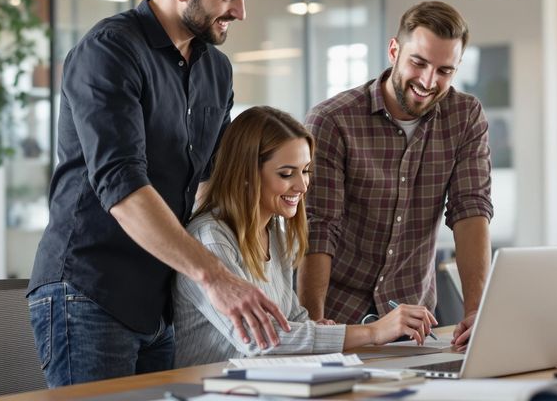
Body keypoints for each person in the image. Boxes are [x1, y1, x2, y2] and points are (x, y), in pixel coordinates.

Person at [27, 0, 291, 387]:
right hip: (90, 292)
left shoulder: (216, 70)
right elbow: (123, 187)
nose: (240, 12)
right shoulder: (109, 51)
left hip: (163, 294)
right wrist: (215, 277)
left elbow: (211, 184)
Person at [173, 106, 438, 367]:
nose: (302, 186)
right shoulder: (210, 239)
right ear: (246, 174)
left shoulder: (273, 230)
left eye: (306, 170)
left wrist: (314, 328)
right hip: (215, 390)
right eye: (286, 174)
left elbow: (290, 317)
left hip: (265, 386)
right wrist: (374, 332)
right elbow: (260, 339)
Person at [299, 1, 493, 351]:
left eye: (445, 71)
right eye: (418, 63)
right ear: (394, 50)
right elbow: (318, 226)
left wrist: (477, 312)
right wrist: (313, 328)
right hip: (339, 318)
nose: (428, 81)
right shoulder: (333, 121)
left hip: (412, 323)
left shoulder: (465, 116)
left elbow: (470, 209)